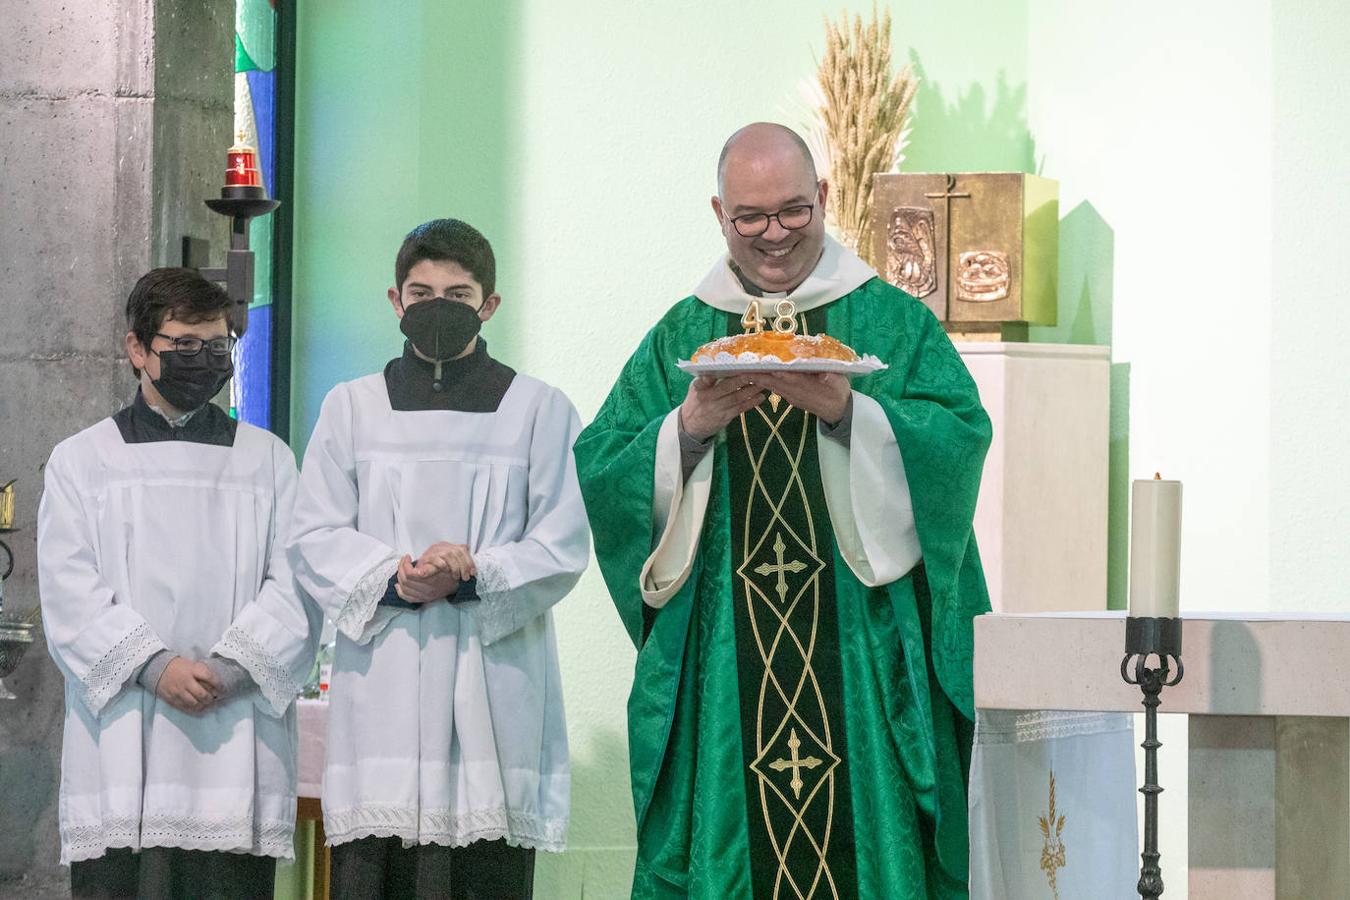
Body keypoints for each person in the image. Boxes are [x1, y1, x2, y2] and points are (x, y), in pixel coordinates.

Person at [574, 123, 993, 898]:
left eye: (794, 211)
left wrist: (851, 414)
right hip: (730, 667)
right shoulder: (687, 332)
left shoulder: (892, 325)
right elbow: (603, 466)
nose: (774, 236)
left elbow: (959, 443)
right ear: (719, 213)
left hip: (861, 660)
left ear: (825, 197)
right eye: (751, 217)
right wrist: (687, 430)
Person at [289, 218, 589, 899]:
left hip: (493, 679)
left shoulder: (538, 409)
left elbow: (563, 541)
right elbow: (313, 533)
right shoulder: (351, 408)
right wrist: (395, 577)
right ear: (395, 302)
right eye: (421, 293)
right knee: (377, 869)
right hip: (385, 683)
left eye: (458, 295)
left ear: (490, 305)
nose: (437, 307)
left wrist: (472, 570)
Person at [37, 268, 320, 899]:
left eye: (216, 347)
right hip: (124, 736)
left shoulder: (267, 460)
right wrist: (155, 666)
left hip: (235, 726)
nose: (203, 360)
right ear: (138, 348)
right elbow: (67, 591)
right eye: (183, 345)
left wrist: (232, 665)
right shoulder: (84, 460)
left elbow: (298, 582)